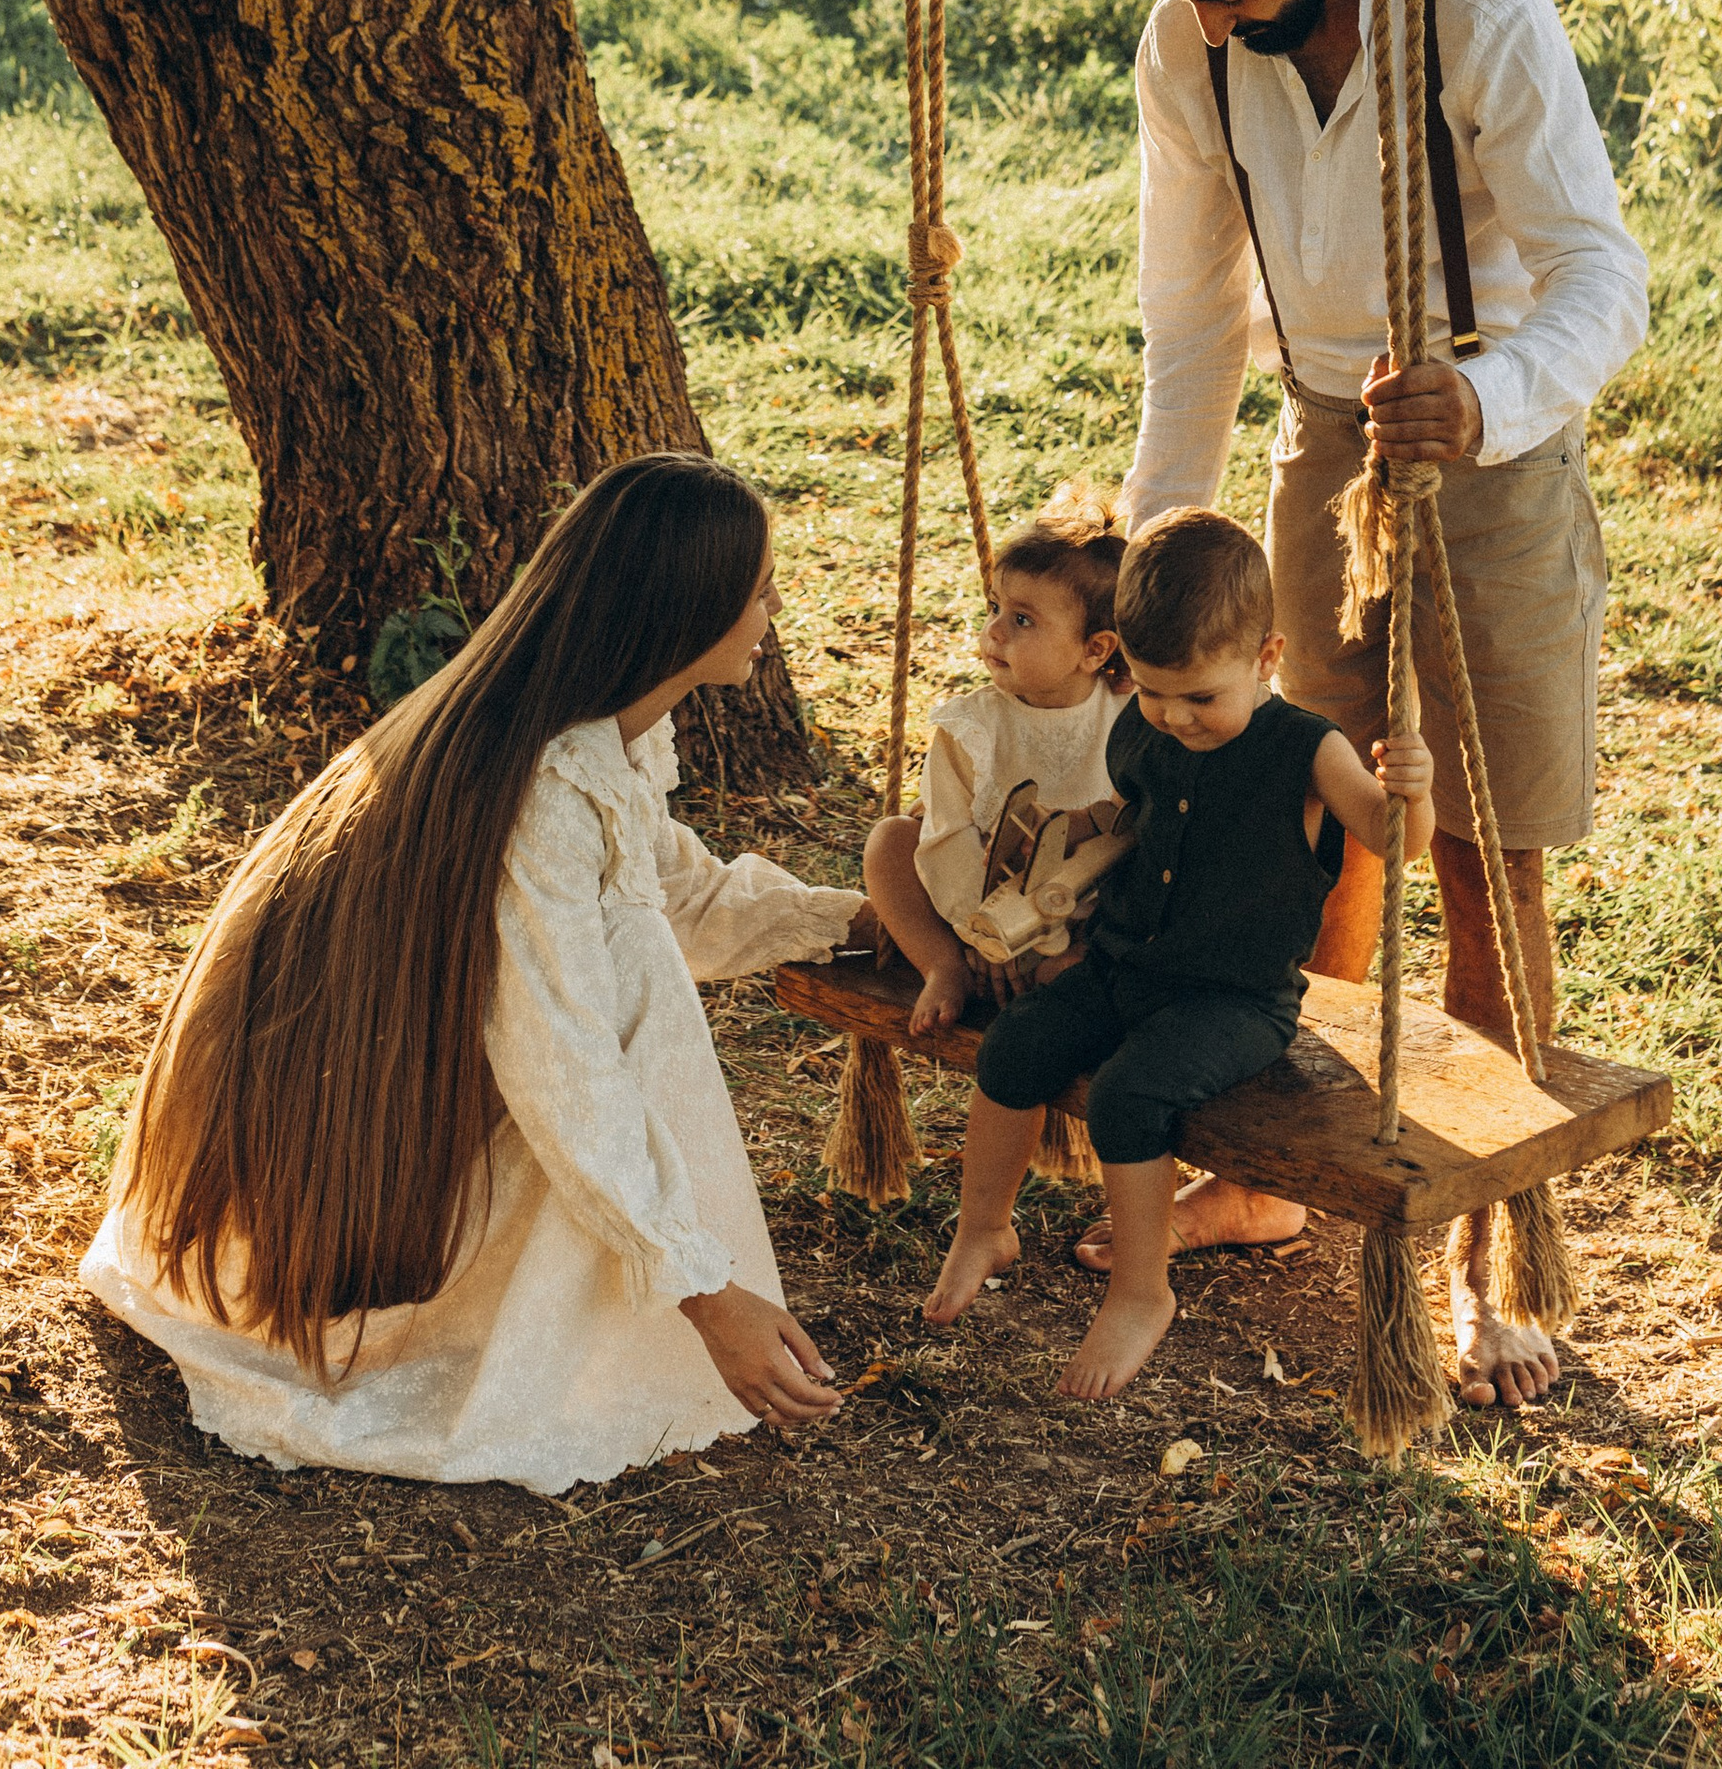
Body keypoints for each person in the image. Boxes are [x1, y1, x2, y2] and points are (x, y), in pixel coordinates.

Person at [1113, 0, 1649, 1411]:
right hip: (1322, 436)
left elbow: (1601, 273)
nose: (1211, 20)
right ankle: (1284, 1172)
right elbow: (1194, 319)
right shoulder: (1188, 44)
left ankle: (1494, 1268)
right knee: (1298, 823)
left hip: (1491, 433)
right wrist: (1164, 541)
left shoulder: (1471, 10)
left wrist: (1492, 401)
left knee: (1486, 851)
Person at [82, 453, 866, 1491]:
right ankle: (473, 1306)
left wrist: (860, 925)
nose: (773, 607)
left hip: (416, 1082)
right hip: (356, 1152)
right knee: (628, 984)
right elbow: (562, 1062)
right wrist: (703, 1290)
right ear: (689, 607)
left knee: (632, 950)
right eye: (758, 585)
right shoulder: (542, 783)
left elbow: (676, 899)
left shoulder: (598, 735)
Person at [923, 508, 1432, 1401]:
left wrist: (1411, 795)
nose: (1175, 717)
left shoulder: (1308, 749)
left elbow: (1397, 842)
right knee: (1012, 1050)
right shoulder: (1143, 726)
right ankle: (983, 1226)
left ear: (1267, 657)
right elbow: (1133, 823)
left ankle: (1140, 1290)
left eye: (1201, 698)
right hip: (1124, 967)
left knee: (1130, 1094)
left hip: (1234, 1003)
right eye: (1155, 693)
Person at [862, 487, 1126, 1034]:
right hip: (972, 899)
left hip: (1079, 905)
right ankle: (943, 967)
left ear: (1095, 650)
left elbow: (1130, 824)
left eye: (1023, 620)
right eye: (994, 608)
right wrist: (983, 932)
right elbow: (946, 836)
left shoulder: (1128, 717)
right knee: (891, 841)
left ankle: (1070, 966)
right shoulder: (972, 727)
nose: (995, 630)